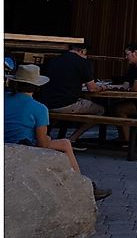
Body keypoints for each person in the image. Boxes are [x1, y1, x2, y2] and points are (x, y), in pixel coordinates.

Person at [5, 64, 110, 200]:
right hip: (23, 145)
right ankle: (82, 184)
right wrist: (47, 139)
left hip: (7, 142)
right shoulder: (39, 108)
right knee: (65, 143)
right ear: (37, 86)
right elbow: (42, 142)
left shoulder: (5, 99)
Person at [40, 44, 104, 115]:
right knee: (100, 110)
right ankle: (80, 127)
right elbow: (92, 89)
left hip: (46, 103)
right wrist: (103, 87)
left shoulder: (54, 60)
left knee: (83, 102)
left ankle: (65, 126)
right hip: (65, 105)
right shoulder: (83, 62)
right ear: (82, 51)